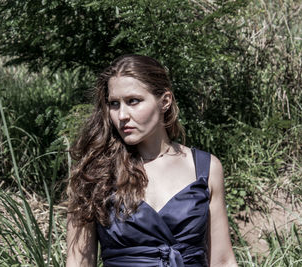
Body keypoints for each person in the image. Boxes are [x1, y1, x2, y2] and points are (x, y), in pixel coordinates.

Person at [66, 54, 237, 267]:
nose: (122, 115)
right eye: (114, 104)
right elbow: (78, 262)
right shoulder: (94, 172)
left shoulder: (205, 168)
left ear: (165, 101)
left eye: (133, 101)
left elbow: (222, 261)